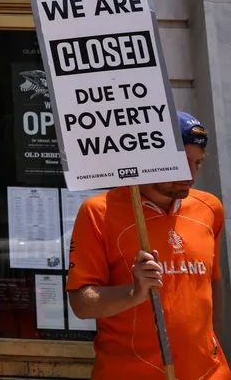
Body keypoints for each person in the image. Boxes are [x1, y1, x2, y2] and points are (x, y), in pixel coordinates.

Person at [67, 112, 230, 380]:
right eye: (180, 163)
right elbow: (82, 304)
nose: (190, 174)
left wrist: (211, 344)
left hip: (209, 374)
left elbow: (213, 285)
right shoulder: (99, 212)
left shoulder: (210, 208)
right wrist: (133, 292)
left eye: (198, 164)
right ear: (149, 158)